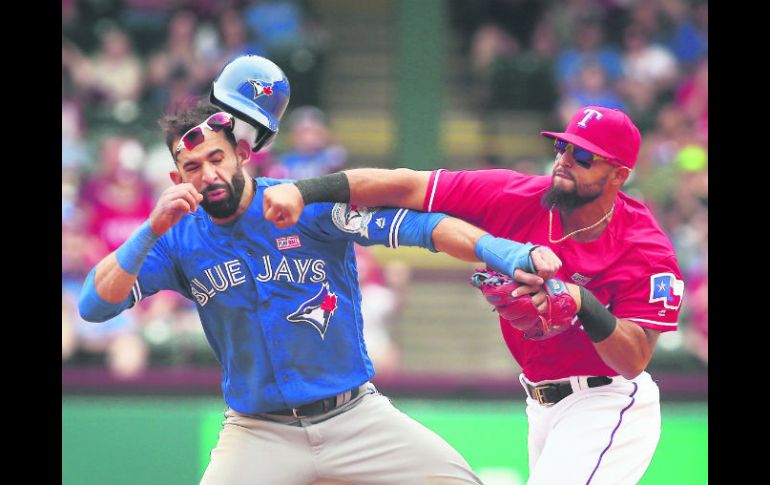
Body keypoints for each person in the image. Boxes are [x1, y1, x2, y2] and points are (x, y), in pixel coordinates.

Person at [79, 55, 564, 485]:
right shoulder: (176, 239)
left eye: (216, 158)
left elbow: (425, 229)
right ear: (175, 178)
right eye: (191, 167)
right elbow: (94, 306)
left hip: (354, 417)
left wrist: (507, 253)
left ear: (242, 155)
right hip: (257, 430)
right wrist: (150, 229)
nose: (207, 175)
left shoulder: (302, 204)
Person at [262, 105, 685, 484]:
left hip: (607, 401)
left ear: (619, 174)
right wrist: (305, 191)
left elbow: (633, 361)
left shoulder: (645, 248)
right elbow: (407, 186)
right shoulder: (516, 196)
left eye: (584, 157)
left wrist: (582, 302)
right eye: (562, 148)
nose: (565, 161)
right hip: (540, 403)